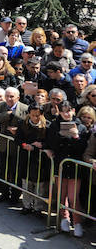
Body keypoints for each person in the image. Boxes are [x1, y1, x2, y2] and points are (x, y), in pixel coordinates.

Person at [46, 101, 88, 237]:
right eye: (64, 111)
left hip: (75, 168)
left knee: (73, 197)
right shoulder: (54, 125)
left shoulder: (81, 127)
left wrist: (76, 136)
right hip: (60, 165)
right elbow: (51, 143)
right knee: (61, 195)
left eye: (69, 110)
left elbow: (83, 149)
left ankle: (77, 223)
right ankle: (64, 218)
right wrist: (61, 136)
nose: (66, 113)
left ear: (73, 111)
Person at [14, 104, 49, 215]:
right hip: (26, 158)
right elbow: (17, 139)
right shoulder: (23, 124)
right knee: (26, 182)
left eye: (37, 115)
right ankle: (27, 205)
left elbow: (51, 141)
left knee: (40, 185)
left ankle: (38, 207)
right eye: (33, 115)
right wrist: (24, 145)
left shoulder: (47, 126)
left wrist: (42, 145)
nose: (35, 118)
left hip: (41, 160)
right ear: (29, 114)